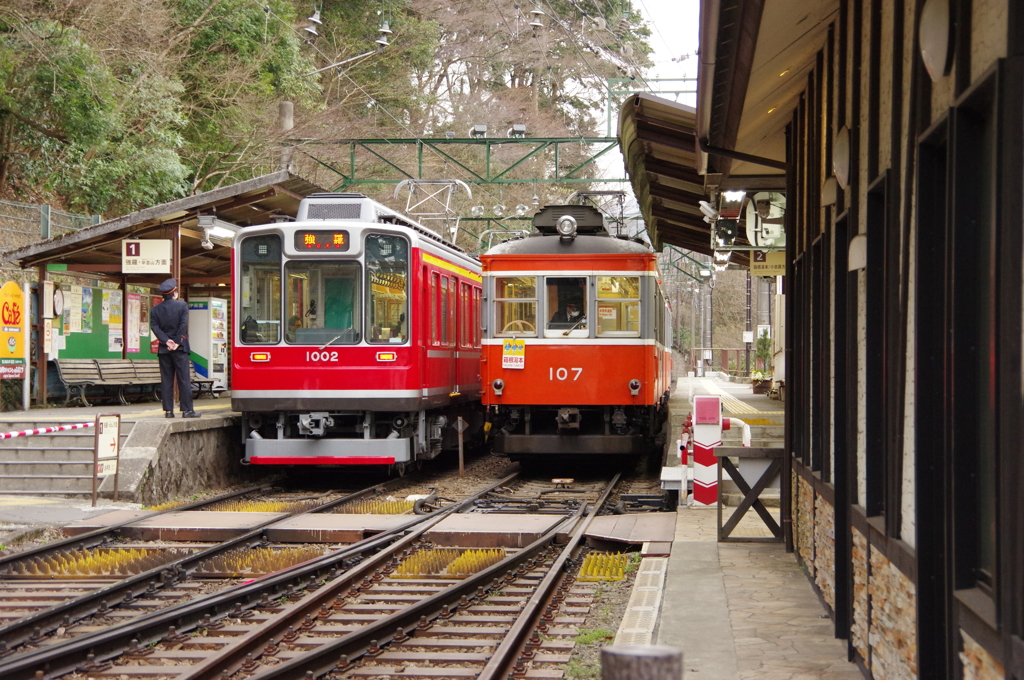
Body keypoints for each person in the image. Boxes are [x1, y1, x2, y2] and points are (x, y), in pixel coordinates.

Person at [150, 278, 199, 418]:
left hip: (164, 349)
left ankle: (169, 411)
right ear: (175, 293)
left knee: (166, 380)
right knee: (183, 378)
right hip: (180, 348)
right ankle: (187, 410)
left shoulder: (155, 310)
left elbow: (155, 327)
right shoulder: (182, 306)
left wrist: (166, 341)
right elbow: (183, 325)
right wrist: (177, 341)